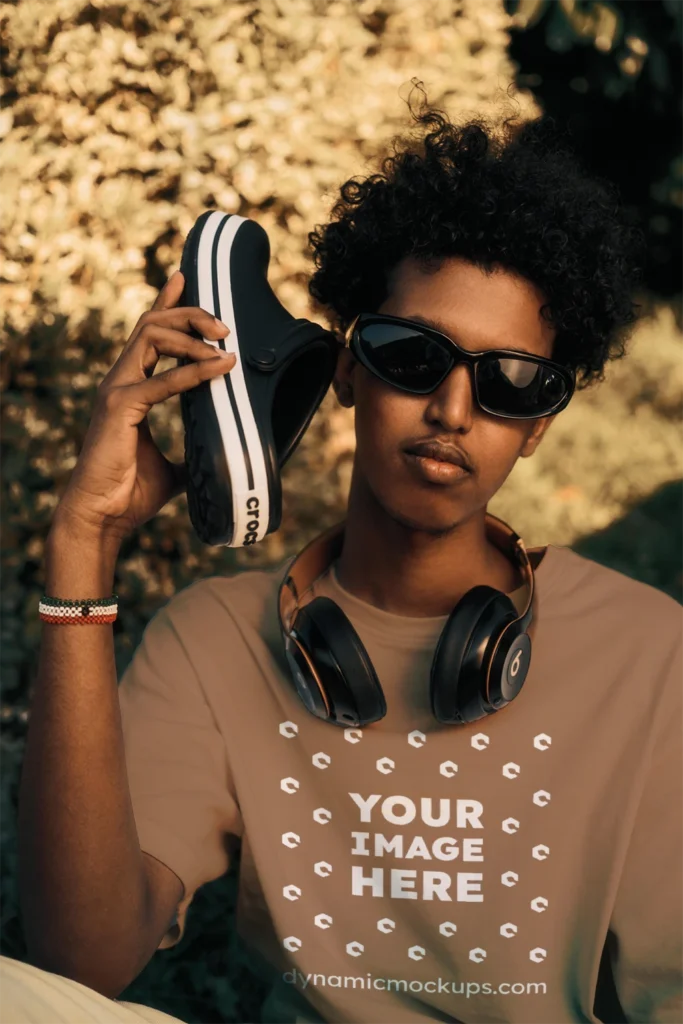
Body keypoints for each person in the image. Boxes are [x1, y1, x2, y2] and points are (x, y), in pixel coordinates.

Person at [12, 98, 683, 1024]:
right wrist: (83, 544)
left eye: (509, 382)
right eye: (411, 355)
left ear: (536, 427)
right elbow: (74, 964)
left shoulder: (650, 654)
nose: (452, 409)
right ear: (345, 370)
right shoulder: (215, 642)